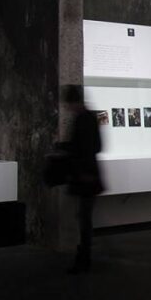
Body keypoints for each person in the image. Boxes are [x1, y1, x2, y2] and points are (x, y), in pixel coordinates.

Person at [61, 85, 103, 273]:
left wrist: (66, 148)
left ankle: (84, 257)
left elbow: (85, 147)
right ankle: (84, 255)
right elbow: (97, 146)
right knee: (84, 216)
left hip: (86, 176)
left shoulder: (82, 119)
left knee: (84, 218)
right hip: (89, 175)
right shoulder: (90, 118)